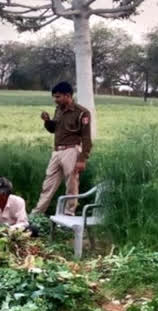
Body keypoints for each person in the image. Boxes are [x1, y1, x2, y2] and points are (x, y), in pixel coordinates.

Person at [32, 81, 93, 216]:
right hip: (57, 151)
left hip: (71, 150)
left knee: (71, 185)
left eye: (58, 97)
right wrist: (47, 121)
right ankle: (37, 214)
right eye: (54, 97)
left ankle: (68, 214)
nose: (55, 100)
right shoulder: (58, 110)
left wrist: (82, 159)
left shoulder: (82, 113)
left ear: (67, 95)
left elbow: (87, 138)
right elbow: (53, 129)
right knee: (48, 184)